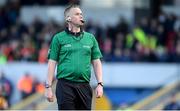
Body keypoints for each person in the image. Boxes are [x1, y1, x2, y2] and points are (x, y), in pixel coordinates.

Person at [45, 4, 103, 110]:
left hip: (85, 86)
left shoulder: (90, 38)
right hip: (65, 86)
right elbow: (52, 62)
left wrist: (100, 84)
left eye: (81, 14)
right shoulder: (58, 38)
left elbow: (96, 62)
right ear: (68, 18)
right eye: (77, 14)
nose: (81, 16)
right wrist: (48, 87)